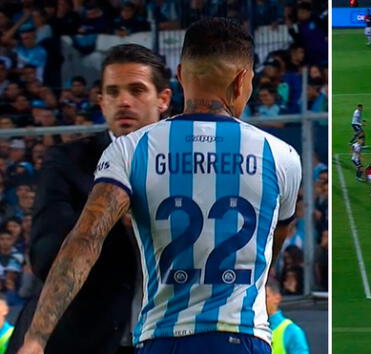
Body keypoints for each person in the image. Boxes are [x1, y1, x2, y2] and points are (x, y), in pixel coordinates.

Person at [18, 18, 301, 354]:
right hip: (241, 338)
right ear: (242, 81)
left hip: (161, 340)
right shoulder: (282, 156)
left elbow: (84, 239)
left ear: (180, 76)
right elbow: (274, 242)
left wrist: (35, 339)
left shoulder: (131, 149)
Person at [9, 44, 172, 354]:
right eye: (112, 92)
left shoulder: (184, 167)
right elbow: (45, 256)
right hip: (76, 339)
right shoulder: (67, 162)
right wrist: (111, 219)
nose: (124, 101)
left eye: (137, 90)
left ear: (163, 99)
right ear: (101, 101)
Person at [266, 280, 309, 354]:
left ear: (277, 298)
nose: (261, 301)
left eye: (266, 296)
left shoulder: (292, 331)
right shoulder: (252, 329)